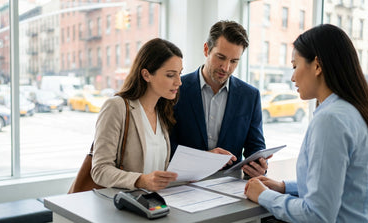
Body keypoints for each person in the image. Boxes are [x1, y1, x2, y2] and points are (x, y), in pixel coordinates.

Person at [245, 24, 368, 222]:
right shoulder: (354, 110)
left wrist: (263, 195)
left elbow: (317, 215)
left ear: (317, 65)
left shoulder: (331, 119)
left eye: (294, 66)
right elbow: (339, 184)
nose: (292, 77)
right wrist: (284, 187)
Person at [170, 20, 267, 176]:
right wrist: (204, 159)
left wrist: (260, 165)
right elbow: (166, 145)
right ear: (206, 49)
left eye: (234, 61)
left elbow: (255, 146)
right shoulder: (176, 89)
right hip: (184, 183)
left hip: (229, 186)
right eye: (220, 57)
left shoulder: (250, 96)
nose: (226, 67)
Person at [91, 38, 182, 191]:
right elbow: (100, 170)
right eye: (170, 75)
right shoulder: (116, 107)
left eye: (179, 74)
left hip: (156, 205)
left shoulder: (162, 111)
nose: (179, 82)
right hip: (125, 206)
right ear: (146, 75)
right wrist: (141, 180)